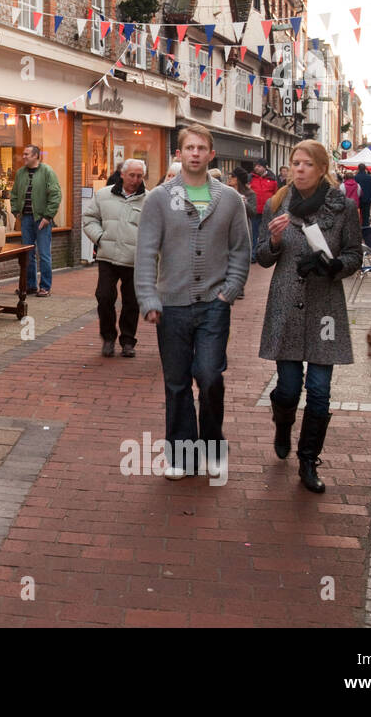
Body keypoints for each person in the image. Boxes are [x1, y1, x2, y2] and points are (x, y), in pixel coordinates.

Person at [134, 123, 251, 479]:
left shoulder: (230, 199)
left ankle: (213, 446)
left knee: (210, 375)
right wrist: (148, 298)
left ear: (211, 153)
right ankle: (182, 456)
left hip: (214, 304)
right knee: (177, 382)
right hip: (172, 305)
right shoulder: (158, 198)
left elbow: (240, 249)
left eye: (202, 148)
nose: (196, 153)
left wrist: (229, 290)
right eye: (189, 148)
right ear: (179, 154)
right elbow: (145, 253)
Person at [257, 141, 363, 494]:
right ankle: (283, 423)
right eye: (294, 163)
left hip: (325, 308)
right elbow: (262, 257)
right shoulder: (276, 203)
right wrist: (272, 242)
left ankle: (307, 459)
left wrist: (336, 265)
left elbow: (354, 254)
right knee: (288, 386)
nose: (298, 169)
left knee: (318, 390)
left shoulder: (344, 208)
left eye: (306, 164)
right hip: (286, 303)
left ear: (321, 169)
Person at [83, 158, 146, 358]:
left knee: (131, 301)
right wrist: (100, 237)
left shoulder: (150, 199)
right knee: (104, 297)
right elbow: (89, 218)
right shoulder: (103, 195)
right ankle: (108, 337)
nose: (135, 180)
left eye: (139, 176)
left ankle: (128, 341)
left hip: (135, 260)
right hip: (107, 257)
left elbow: (155, 228)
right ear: (122, 175)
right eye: (132, 175)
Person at [10, 144, 61, 297]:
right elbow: (14, 194)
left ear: (36, 156)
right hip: (25, 219)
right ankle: (30, 285)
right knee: (28, 254)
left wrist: (47, 217)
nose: (23, 156)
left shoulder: (47, 172)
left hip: (41, 219)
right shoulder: (20, 173)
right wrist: (16, 211)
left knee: (44, 254)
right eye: (23, 154)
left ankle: (45, 287)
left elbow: (55, 195)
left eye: (27, 154)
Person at [228, 167, 258, 298]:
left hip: (243, 226)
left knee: (241, 255)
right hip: (227, 227)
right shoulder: (226, 191)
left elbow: (253, 212)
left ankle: (240, 287)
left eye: (232, 176)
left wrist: (244, 202)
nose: (230, 179)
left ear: (238, 179)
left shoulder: (250, 194)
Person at [249, 160, 279, 262]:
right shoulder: (251, 178)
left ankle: (264, 254)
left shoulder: (272, 179)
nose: (256, 168)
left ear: (265, 167)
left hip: (268, 212)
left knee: (266, 233)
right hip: (254, 211)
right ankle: (253, 255)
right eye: (255, 166)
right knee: (253, 233)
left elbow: (276, 195)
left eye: (259, 166)